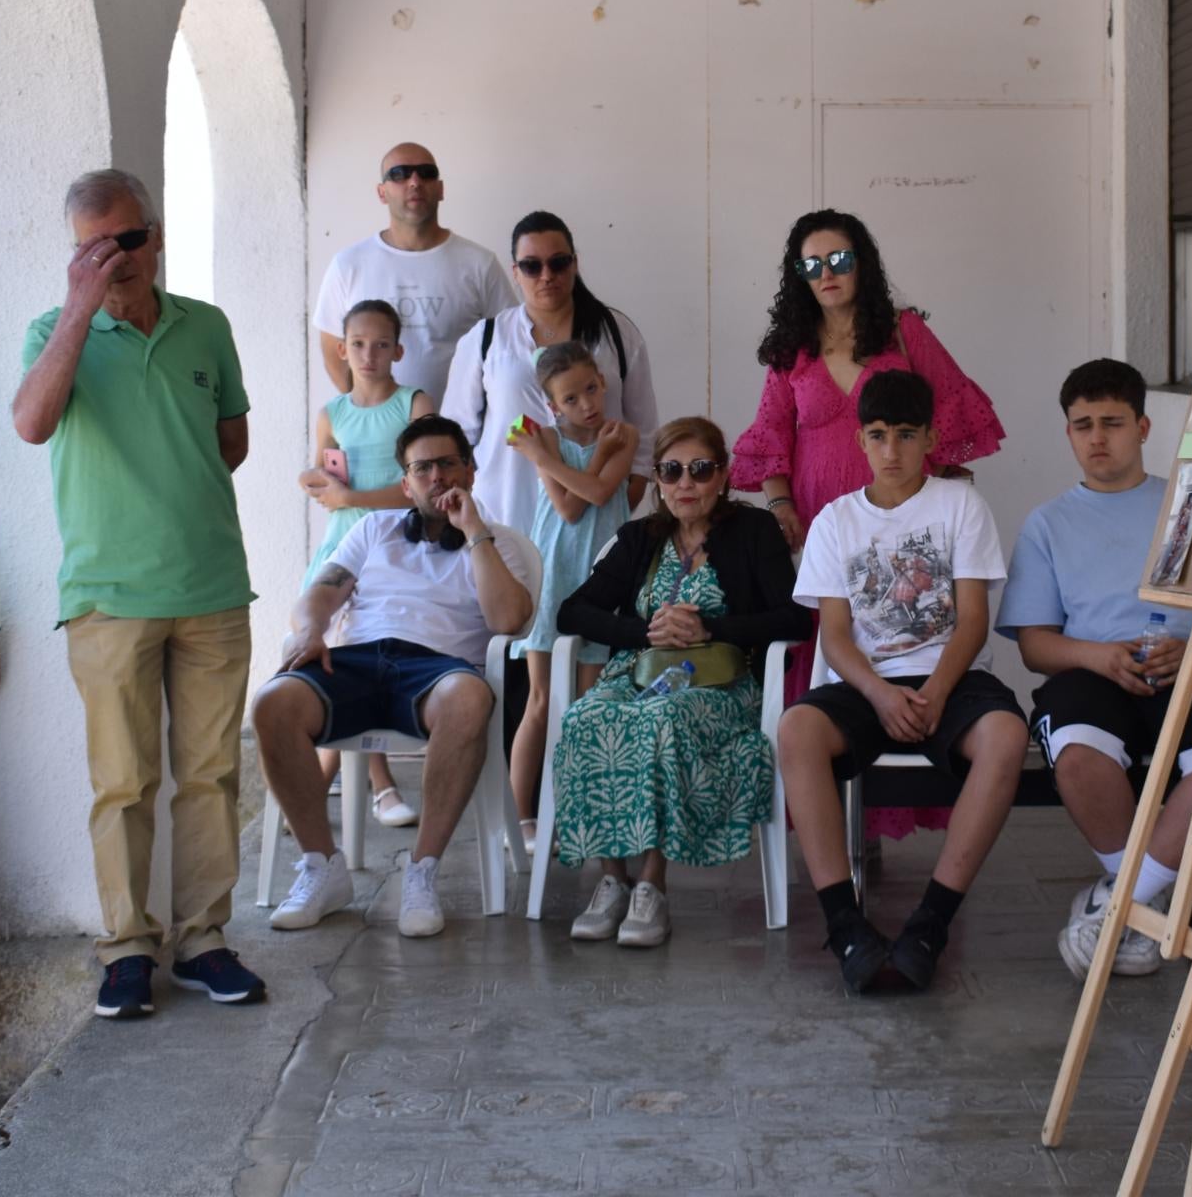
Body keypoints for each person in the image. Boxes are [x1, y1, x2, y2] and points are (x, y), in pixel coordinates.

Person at [10, 168, 265, 1019]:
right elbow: (32, 422)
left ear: (153, 237)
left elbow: (230, 439)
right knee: (123, 782)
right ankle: (126, 946)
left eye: (124, 241)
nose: (112, 259)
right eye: (91, 247)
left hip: (211, 585)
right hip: (109, 597)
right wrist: (81, 311)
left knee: (211, 773)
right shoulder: (55, 332)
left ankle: (204, 940)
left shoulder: (207, 327)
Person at [733, 210, 1005, 844]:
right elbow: (770, 441)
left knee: (904, 639)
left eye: (841, 260)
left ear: (864, 263)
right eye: (812, 264)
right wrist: (780, 509)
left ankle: (886, 821)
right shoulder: (789, 352)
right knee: (834, 660)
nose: (827, 274)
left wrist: (940, 514)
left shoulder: (904, 332)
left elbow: (954, 422)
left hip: (902, 528)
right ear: (796, 275)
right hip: (824, 531)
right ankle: (842, 831)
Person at [1000, 359, 1192, 982]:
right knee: (1080, 756)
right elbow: (1034, 645)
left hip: (1189, 670)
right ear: (1068, 434)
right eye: (1082, 425)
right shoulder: (1047, 524)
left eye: (1112, 422)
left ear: (1142, 426)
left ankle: (1121, 905)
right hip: (1091, 670)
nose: (1097, 437)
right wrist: (1097, 656)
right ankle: (1151, 896)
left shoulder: (1190, 504)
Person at [777, 370, 1027, 994]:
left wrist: (936, 692)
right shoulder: (836, 521)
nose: (892, 451)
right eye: (880, 436)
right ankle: (846, 925)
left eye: (907, 435)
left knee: (1004, 737)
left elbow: (972, 621)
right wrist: (880, 694)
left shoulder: (960, 505)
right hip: (868, 682)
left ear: (931, 439)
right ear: (860, 440)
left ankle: (930, 924)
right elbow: (835, 633)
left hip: (952, 676)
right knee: (797, 731)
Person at [254, 416, 534, 940]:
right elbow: (320, 594)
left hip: (438, 670)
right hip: (357, 660)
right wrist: (311, 630)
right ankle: (321, 866)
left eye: (448, 463)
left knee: (470, 698)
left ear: (470, 471)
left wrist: (475, 534)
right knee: (273, 703)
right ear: (406, 484)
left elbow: (508, 622)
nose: (437, 477)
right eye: (422, 468)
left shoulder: (497, 543)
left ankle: (422, 871)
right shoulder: (373, 528)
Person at [549, 417, 809, 947]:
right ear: (659, 481)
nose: (684, 483)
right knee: (585, 717)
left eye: (699, 470)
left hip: (721, 685)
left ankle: (651, 887)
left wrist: (709, 626)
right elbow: (571, 612)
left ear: (723, 477)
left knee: (663, 720)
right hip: (637, 674)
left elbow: (795, 620)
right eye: (671, 471)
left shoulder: (753, 532)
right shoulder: (640, 538)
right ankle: (612, 881)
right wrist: (643, 630)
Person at [300, 298, 435, 828]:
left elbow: (425, 488)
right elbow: (324, 473)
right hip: (341, 544)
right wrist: (314, 481)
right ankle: (376, 787)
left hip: (398, 543)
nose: (369, 354)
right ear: (342, 349)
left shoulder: (414, 404)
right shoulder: (331, 413)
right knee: (335, 655)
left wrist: (353, 501)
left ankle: (343, 787)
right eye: (358, 344)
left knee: (372, 650)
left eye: (381, 344)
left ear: (398, 349)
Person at [442, 209, 659, 533]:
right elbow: (456, 435)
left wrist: (625, 500)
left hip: (596, 525)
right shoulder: (486, 340)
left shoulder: (616, 334)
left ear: (574, 263)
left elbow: (644, 432)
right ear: (515, 272)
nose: (546, 275)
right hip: (506, 519)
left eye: (558, 263)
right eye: (531, 266)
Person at [500, 342, 636, 841]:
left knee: (589, 701)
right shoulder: (550, 439)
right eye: (571, 399)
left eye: (591, 389)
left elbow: (595, 497)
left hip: (600, 576)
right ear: (553, 407)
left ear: (602, 381)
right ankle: (522, 818)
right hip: (553, 569)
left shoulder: (624, 435)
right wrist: (547, 452)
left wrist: (543, 455)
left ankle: (582, 814)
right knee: (539, 700)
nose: (586, 405)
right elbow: (564, 508)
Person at [312, 141, 516, 401]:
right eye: (399, 174)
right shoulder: (349, 264)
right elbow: (332, 347)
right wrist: (364, 414)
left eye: (426, 173)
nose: (415, 181)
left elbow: (510, 345)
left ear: (441, 189)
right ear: (381, 192)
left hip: (461, 435)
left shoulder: (479, 263)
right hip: (376, 437)